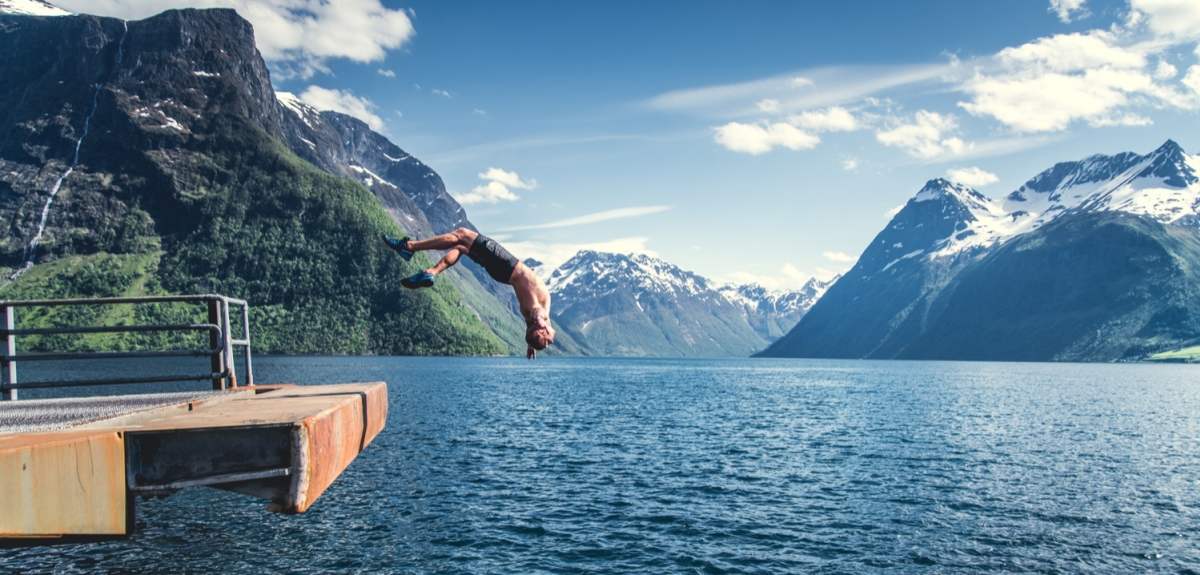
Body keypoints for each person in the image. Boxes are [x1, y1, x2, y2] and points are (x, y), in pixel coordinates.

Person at [383, 229, 555, 359]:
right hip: (504, 273)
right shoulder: (534, 318)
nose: (549, 340)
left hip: (507, 265)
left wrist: (540, 328)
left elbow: (537, 316)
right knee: (461, 247)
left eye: (545, 339)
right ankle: (431, 272)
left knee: (461, 234)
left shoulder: (538, 314)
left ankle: (409, 247)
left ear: (540, 330)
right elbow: (536, 323)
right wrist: (531, 344)